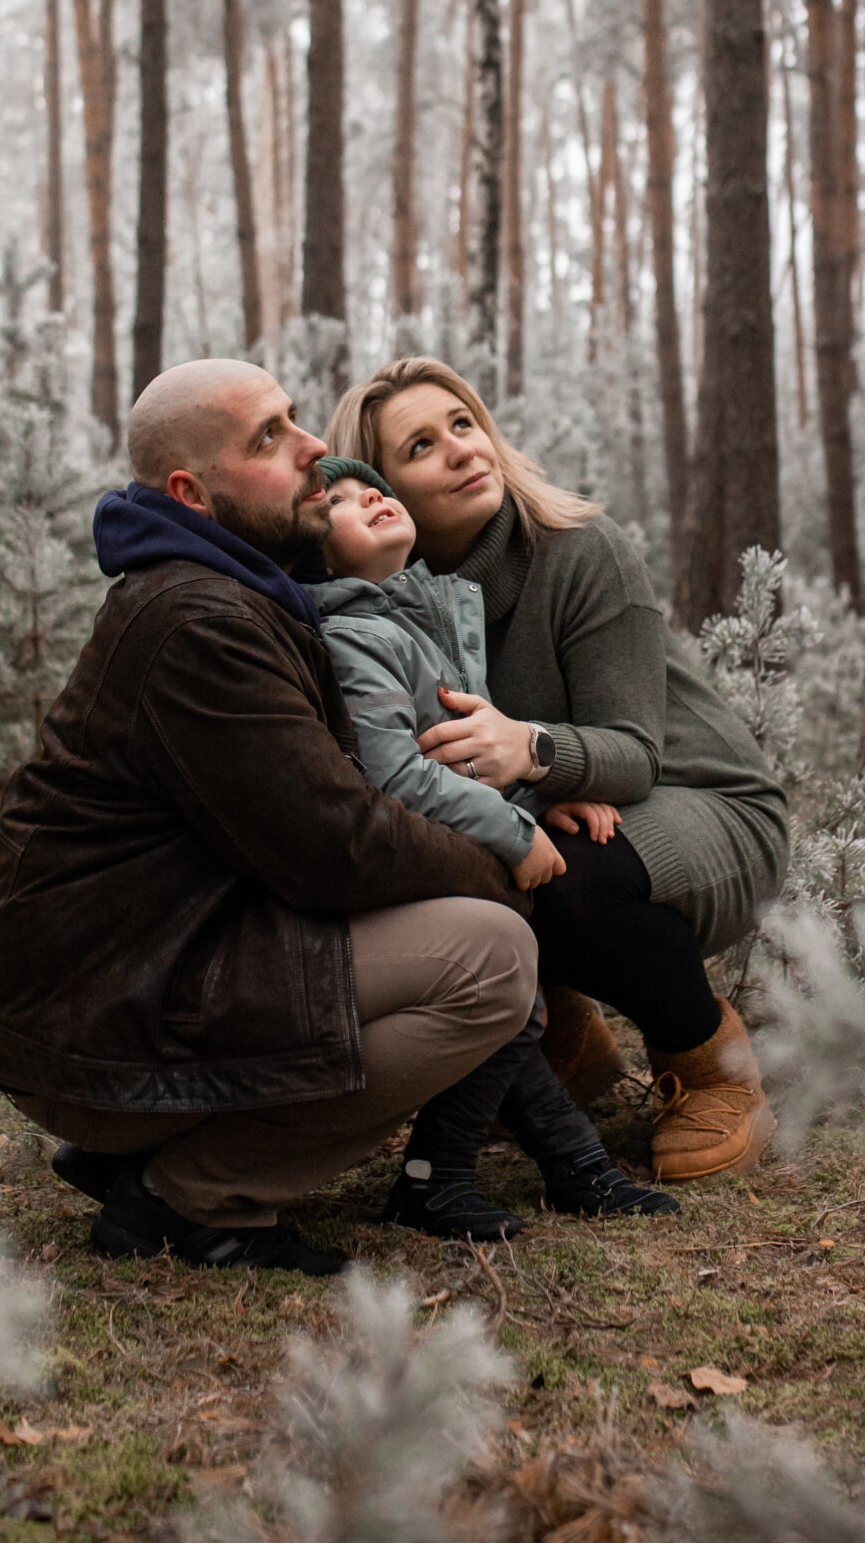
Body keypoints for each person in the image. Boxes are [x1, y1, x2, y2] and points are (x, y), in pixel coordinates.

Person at [0, 360, 546, 1278]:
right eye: (269, 438)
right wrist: (506, 864)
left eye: (292, 419)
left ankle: (146, 1153)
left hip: (146, 976)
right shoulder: (199, 622)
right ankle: (192, 1198)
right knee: (490, 960)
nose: (316, 448)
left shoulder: (238, 590)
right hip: (110, 1018)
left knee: (474, 934)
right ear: (193, 494)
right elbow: (340, 846)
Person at [326, 358, 789, 1182]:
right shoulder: (379, 606)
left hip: (705, 804)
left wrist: (534, 753)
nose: (461, 451)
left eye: (464, 425)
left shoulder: (580, 551)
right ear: (379, 487)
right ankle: (565, 1049)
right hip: (560, 806)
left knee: (568, 877)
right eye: (421, 445)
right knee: (444, 867)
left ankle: (713, 1067)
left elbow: (635, 754)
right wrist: (534, 801)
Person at [305, 455, 678, 1236]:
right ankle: (458, 1177)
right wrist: (515, 829)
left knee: (518, 1016)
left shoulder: (412, 618)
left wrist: (546, 794)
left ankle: (552, 1171)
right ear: (314, 552)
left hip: (453, 846)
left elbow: (467, 749)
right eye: (339, 501)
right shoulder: (352, 635)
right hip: (418, 860)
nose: (371, 495)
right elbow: (394, 773)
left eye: (372, 485)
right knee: (515, 1010)